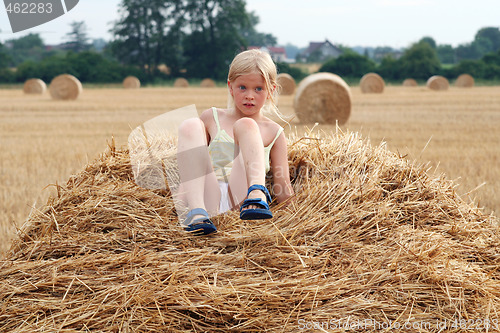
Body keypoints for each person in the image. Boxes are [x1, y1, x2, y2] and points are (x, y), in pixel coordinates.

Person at [176, 49, 294, 235]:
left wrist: (295, 222)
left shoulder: (274, 132)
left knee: (246, 125)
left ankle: (257, 192)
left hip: (242, 200)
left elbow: (282, 184)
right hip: (207, 197)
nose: (249, 95)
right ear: (230, 87)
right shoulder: (211, 117)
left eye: (258, 89)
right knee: (190, 125)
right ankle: (197, 214)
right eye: (242, 87)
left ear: (271, 90)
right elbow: (195, 160)